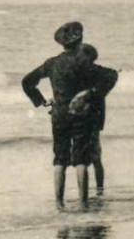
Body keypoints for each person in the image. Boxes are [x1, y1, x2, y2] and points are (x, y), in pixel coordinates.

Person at [21, 20, 112, 209]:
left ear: (62, 43)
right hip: (81, 114)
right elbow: (111, 75)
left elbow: (27, 82)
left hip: (59, 113)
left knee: (60, 159)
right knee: (81, 159)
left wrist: (42, 101)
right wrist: (90, 93)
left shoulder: (52, 63)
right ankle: (84, 203)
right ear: (80, 41)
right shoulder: (84, 62)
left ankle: (59, 204)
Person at [73, 45, 119, 193]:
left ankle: (93, 191)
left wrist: (91, 92)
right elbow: (113, 74)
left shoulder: (84, 71)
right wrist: (96, 91)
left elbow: (113, 74)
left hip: (85, 118)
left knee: (86, 157)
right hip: (94, 118)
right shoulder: (98, 71)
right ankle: (99, 189)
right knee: (95, 157)